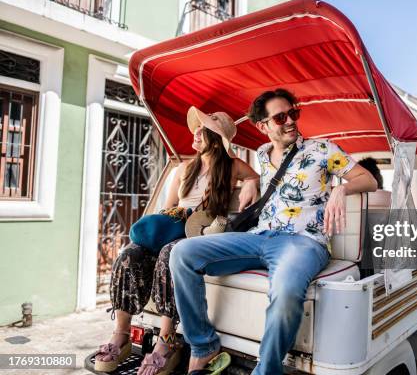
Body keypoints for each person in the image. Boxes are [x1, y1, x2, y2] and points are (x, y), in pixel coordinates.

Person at [169, 88, 378, 375]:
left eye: (294, 113)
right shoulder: (263, 154)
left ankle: (266, 370)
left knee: (286, 290)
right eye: (280, 117)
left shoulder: (321, 150)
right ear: (263, 126)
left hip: (303, 243)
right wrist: (253, 182)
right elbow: (256, 180)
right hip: (259, 237)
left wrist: (341, 188)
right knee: (181, 253)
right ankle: (203, 346)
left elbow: (367, 179)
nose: (290, 121)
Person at [94, 108, 259, 375]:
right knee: (129, 254)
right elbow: (168, 208)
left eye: (202, 129)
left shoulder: (231, 166)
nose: (195, 132)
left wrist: (250, 183)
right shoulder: (184, 168)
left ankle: (166, 340)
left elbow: (254, 176)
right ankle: (121, 334)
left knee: (171, 253)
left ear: (216, 138)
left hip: (201, 233)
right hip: (175, 226)